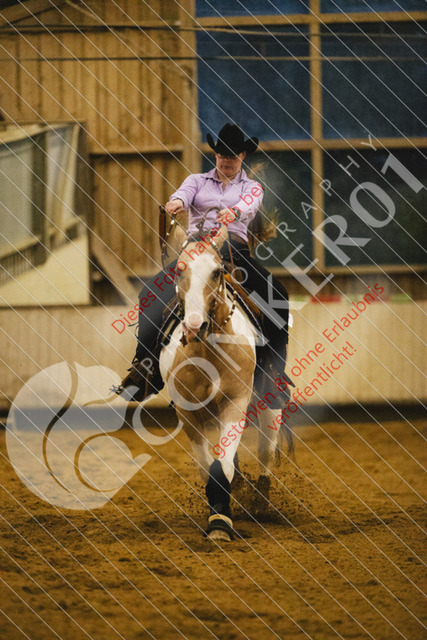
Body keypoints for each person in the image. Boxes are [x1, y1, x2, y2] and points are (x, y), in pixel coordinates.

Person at [118, 123, 290, 401]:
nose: (226, 161)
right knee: (148, 294)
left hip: (233, 253)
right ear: (215, 155)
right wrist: (176, 203)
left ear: (242, 156)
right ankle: (145, 365)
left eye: (232, 157)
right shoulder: (196, 180)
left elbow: (250, 204)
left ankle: (274, 372)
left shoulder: (251, 187)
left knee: (277, 294)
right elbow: (183, 194)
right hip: (195, 252)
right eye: (221, 156)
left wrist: (234, 212)